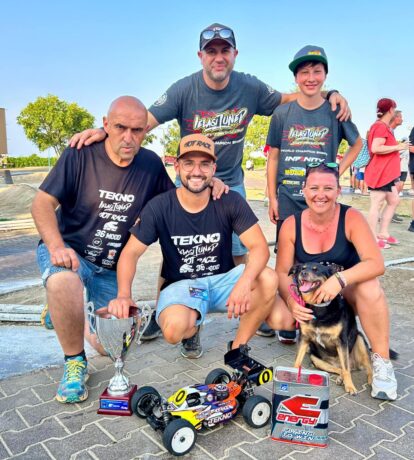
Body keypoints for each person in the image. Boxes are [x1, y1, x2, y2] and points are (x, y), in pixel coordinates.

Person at [69, 24, 350, 352]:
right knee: (178, 249)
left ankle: (252, 306)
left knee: (240, 251)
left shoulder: (249, 86)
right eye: (211, 51)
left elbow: (292, 97)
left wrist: (330, 93)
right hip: (191, 178)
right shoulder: (184, 89)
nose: (219, 57)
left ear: (235, 54)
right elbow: (144, 120)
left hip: (231, 181)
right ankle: (166, 309)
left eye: (225, 51)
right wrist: (108, 133)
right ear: (200, 56)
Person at [31, 96, 175, 403]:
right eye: (120, 127)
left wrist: (212, 186)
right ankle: (74, 363)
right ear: (106, 124)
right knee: (63, 281)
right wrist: (57, 247)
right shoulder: (80, 153)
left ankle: (64, 313)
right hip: (70, 251)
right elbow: (41, 204)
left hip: (110, 266)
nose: (128, 137)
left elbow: (176, 204)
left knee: (110, 346)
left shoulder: (151, 165)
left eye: (137, 130)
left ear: (145, 131)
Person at [107, 134, 295, 358]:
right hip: (183, 285)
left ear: (214, 169)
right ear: (177, 167)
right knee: (174, 330)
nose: (196, 171)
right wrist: (124, 294)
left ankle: (238, 348)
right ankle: (193, 326)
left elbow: (259, 248)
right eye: (189, 163)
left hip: (222, 282)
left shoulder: (230, 200)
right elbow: (130, 253)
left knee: (281, 313)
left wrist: (245, 283)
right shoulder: (159, 206)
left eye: (204, 164)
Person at [262, 45, 362, 341]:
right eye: (304, 72)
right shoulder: (282, 113)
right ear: (295, 77)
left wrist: (335, 172)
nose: (311, 77)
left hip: (320, 200)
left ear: (325, 75)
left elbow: (358, 144)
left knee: (319, 259)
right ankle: (291, 313)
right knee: (289, 261)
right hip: (289, 197)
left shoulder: (335, 110)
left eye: (317, 71)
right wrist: (272, 197)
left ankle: (322, 314)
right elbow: (273, 157)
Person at [277, 162, 398, 400]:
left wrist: (338, 280)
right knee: (280, 318)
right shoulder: (291, 224)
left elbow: (376, 264)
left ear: (338, 191)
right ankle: (306, 337)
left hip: (345, 291)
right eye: (314, 188)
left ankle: (381, 362)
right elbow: (281, 272)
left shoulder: (351, 217)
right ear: (304, 190)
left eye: (328, 188)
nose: (320, 194)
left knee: (370, 288)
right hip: (310, 295)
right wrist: (291, 303)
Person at [365, 99, 410, 249]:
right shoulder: (380, 126)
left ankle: (383, 234)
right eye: (394, 109)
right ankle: (371, 238)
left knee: (394, 200)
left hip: (387, 174)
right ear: (390, 110)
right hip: (379, 173)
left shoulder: (383, 126)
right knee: (376, 204)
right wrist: (398, 146)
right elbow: (376, 148)